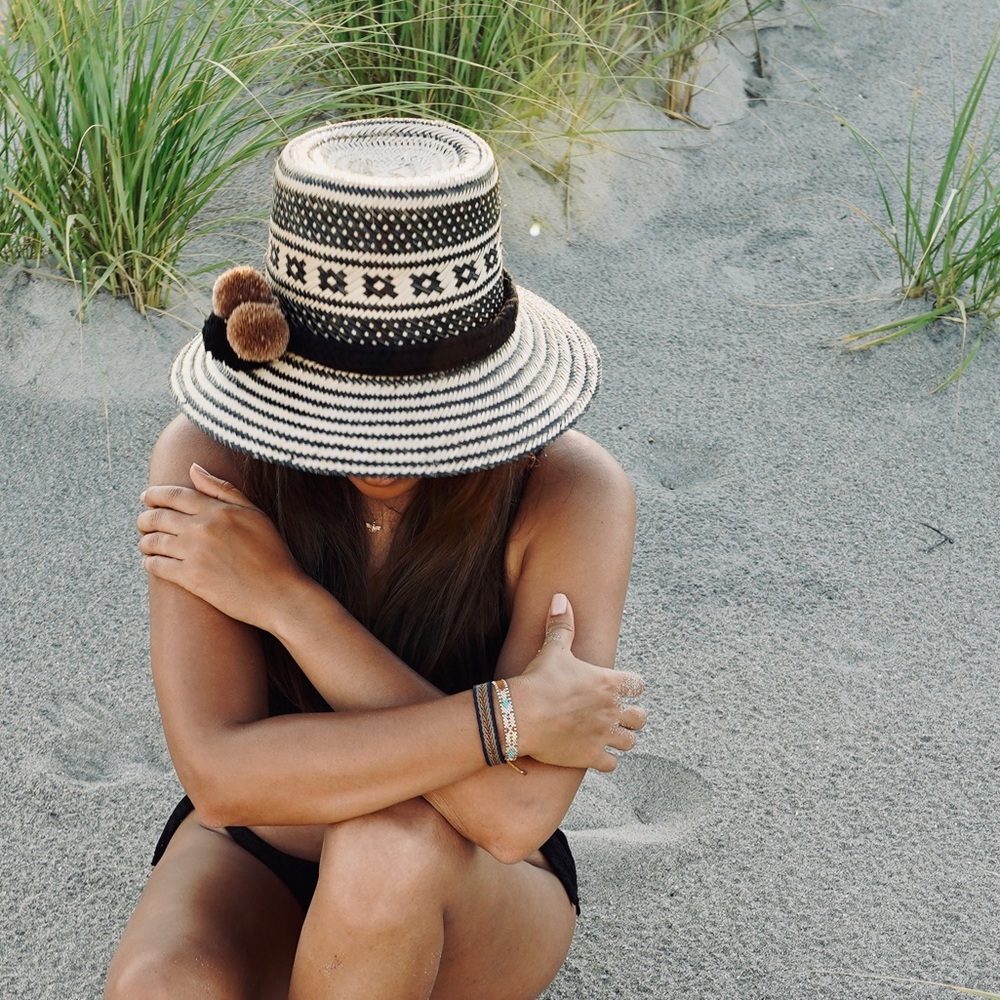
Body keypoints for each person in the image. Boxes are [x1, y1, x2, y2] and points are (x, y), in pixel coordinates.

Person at [104, 117, 645, 1000]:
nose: (382, 457)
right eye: (344, 411)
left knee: (383, 849)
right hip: (265, 839)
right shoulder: (214, 457)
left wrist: (288, 603)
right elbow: (220, 776)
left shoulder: (569, 491)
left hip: (467, 873)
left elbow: (511, 816)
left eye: (424, 414)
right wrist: (508, 720)